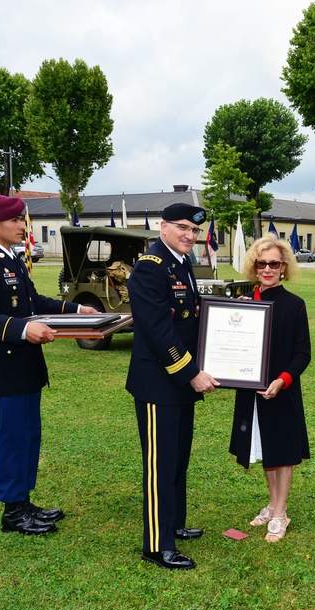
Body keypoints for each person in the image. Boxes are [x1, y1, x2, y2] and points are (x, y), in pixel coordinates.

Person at [0, 194, 96, 536]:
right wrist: (23, 328)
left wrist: (78, 310)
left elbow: (34, 301)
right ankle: (12, 512)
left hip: (25, 366)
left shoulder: (13, 259)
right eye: (17, 221)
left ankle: (23, 502)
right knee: (13, 438)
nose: (23, 226)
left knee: (29, 436)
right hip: (4, 368)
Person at [126, 203, 221, 570]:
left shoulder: (179, 263)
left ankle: (174, 525)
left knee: (178, 460)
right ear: (162, 227)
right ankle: (156, 544)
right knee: (160, 465)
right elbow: (156, 330)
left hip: (178, 384)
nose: (189, 235)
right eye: (182, 227)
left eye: (195, 231)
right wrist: (190, 371)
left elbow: (188, 316)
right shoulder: (150, 268)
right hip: (158, 384)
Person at [229, 234, 311, 543]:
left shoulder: (295, 305)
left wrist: (282, 380)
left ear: (284, 267)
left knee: (283, 450)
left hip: (282, 390)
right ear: (254, 265)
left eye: (273, 263)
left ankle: (280, 512)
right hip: (251, 391)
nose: (267, 269)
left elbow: (302, 354)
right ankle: (274, 503)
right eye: (261, 263)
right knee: (265, 448)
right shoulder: (244, 303)